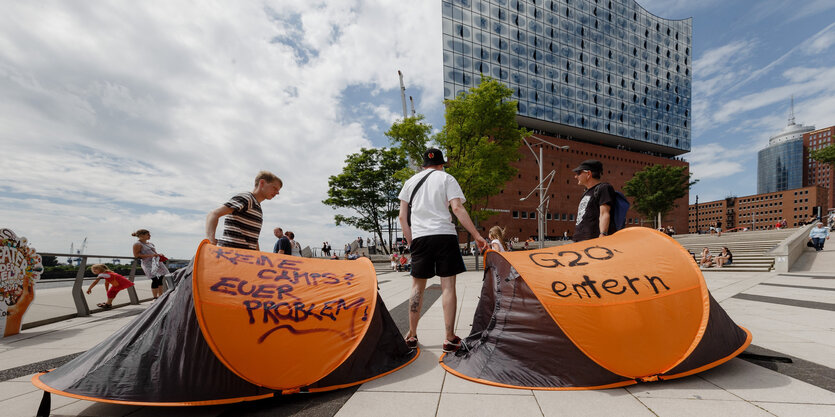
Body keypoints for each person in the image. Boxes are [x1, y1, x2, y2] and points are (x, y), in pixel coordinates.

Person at [398, 148, 487, 353]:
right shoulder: (447, 179)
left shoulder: (409, 183)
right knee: (448, 286)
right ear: (441, 164)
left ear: (423, 165)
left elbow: (402, 217)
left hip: (420, 237)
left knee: (417, 287)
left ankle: (411, 335)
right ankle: (449, 338)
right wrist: (476, 235)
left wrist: (412, 241)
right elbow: (457, 208)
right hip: (445, 236)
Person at [205, 171, 282, 250]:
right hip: (229, 255)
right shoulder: (246, 198)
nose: (277, 193)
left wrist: (258, 256)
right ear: (262, 183)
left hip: (243, 258)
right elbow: (213, 214)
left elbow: (253, 239)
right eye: (274, 188)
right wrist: (210, 241)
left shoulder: (258, 207)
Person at [572, 160, 617, 242]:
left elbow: (604, 213)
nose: (576, 176)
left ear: (588, 174)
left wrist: (603, 234)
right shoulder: (586, 192)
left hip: (592, 239)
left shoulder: (604, 188)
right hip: (579, 239)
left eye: (578, 173)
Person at [132, 229, 170, 300]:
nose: (150, 236)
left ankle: (160, 296)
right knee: (154, 279)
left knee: (160, 279)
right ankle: (155, 297)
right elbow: (136, 255)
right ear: (142, 235)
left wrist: (159, 254)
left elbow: (154, 253)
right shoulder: (137, 244)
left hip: (156, 262)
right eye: (148, 234)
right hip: (148, 263)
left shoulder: (151, 244)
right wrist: (151, 256)